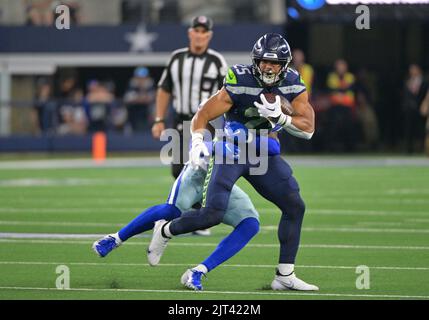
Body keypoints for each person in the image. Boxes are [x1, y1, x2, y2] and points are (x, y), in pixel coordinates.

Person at [148, 33, 318, 291]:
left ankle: (284, 275)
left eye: (274, 63)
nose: (268, 67)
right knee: (213, 213)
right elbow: (203, 113)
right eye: (263, 62)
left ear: (285, 64)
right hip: (232, 148)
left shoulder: (293, 82)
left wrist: (281, 119)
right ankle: (166, 231)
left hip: (262, 151)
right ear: (255, 61)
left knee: (295, 205)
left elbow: (308, 129)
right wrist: (195, 143)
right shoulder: (240, 78)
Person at [92, 129, 261, 291]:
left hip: (222, 182)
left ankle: (198, 271)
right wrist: (205, 146)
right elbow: (198, 124)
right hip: (199, 174)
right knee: (171, 210)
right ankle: (116, 239)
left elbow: (273, 145)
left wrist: (279, 122)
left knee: (250, 223)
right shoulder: (221, 104)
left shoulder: (265, 110)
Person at [152, 15, 227, 236]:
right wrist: (159, 119)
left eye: (205, 32)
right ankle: (193, 214)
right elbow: (164, 88)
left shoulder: (216, 61)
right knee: (177, 169)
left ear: (209, 35)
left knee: (200, 168)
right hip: (179, 120)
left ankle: (198, 217)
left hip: (206, 123)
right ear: (190, 32)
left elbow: (227, 94)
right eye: (197, 30)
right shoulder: (176, 59)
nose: (200, 35)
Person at [325, 59, 358, 152]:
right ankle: (330, 147)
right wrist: (342, 89)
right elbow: (331, 89)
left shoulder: (350, 77)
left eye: (342, 66)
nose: (340, 68)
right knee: (332, 126)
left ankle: (351, 148)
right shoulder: (332, 76)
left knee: (349, 126)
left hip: (347, 107)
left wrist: (339, 90)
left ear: (346, 67)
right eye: (338, 66)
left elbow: (350, 88)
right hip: (335, 107)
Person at [401, 64, 428, 153]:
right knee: (408, 129)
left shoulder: (425, 81)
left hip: (420, 108)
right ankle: (409, 149)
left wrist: (424, 105)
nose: (412, 71)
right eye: (411, 70)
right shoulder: (408, 81)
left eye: (414, 69)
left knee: (421, 129)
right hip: (409, 109)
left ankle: (423, 148)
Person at [124, 67, 155, 132]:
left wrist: (142, 95)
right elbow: (128, 98)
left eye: (143, 78)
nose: (141, 80)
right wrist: (140, 99)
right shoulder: (132, 86)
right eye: (139, 78)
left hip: (147, 112)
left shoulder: (150, 86)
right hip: (133, 112)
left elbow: (152, 98)